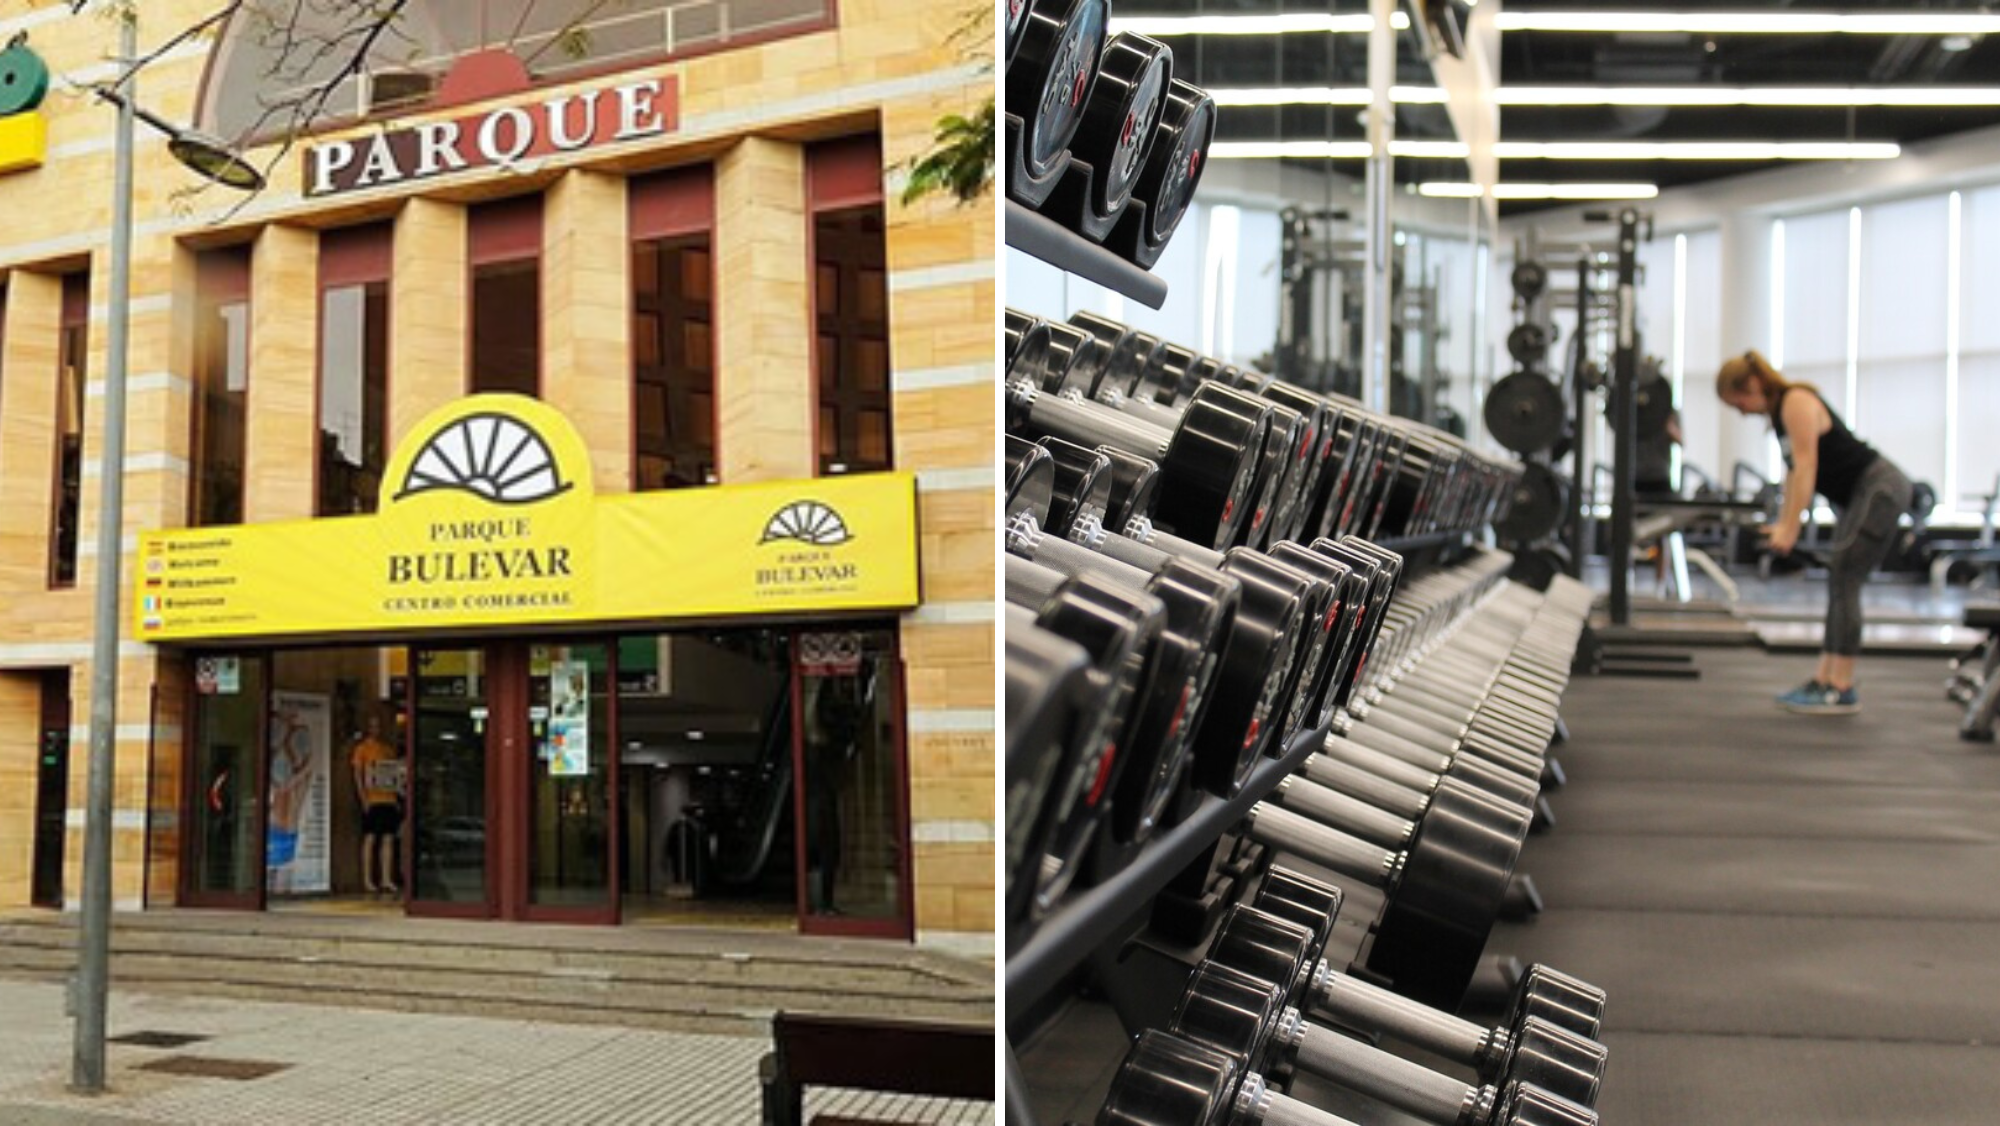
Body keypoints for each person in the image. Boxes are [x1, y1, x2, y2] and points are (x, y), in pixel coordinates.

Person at [1716, 350, 1914, 714]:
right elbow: (1793, 474)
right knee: (1840, 577)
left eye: (1739, 401)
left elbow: (1807, 467)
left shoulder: (1796, 401)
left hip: (1879, 489)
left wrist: (1791, 528)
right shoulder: (1780, 416)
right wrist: (1784, 523)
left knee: (1846, 576)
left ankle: (1841, 684)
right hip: (1860, 494)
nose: (1741, 411)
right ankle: (1825, 678)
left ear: (1753, 384)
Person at [348, 714, 404, 893]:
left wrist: (397, 796)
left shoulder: (388, 750)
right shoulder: (362, 749)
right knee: (370, 838)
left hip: (389, 798)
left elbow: (395, 774)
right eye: (372, 726)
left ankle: (386, 878)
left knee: (388, 838)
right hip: (373, 799)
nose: (376, 729)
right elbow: (358, 775)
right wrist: (363, 798)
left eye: (378, 726)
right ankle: (367, 879)